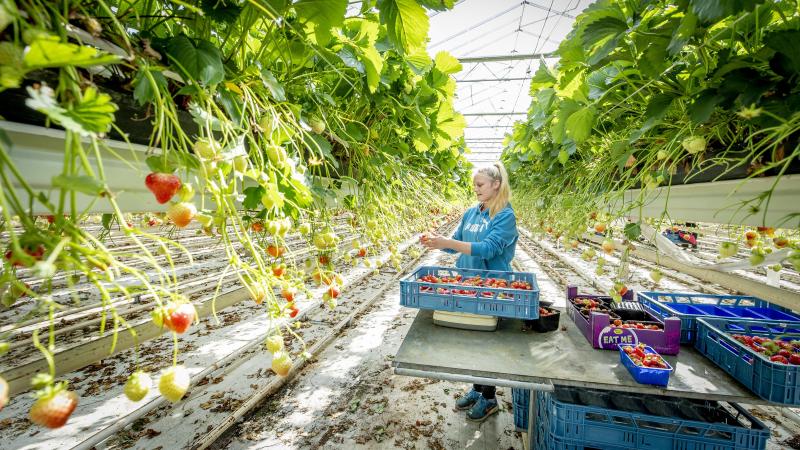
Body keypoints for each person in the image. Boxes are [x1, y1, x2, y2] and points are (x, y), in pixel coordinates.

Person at [420, 161, 518, 422]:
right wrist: (437, 242)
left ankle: (489, 399)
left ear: (496, 184)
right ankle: (477, 390)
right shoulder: (472, 213)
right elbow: (455, 246)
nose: (475, 189)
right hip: (466, 285)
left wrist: (449, 242)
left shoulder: (505, 216)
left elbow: (488, 248)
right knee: (472, 344)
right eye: (474, 185)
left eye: (480, 185)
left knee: (487, 345)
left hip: (491, 287)